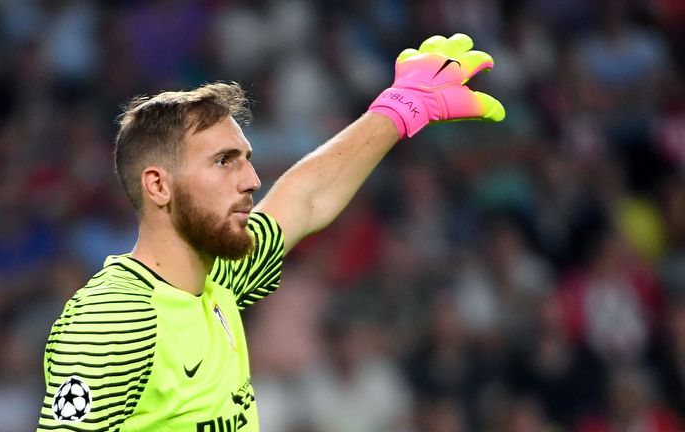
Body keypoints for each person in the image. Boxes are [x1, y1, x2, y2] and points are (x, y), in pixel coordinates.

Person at [36, 33, 504, 431]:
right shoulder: (115, 318)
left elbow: (304, 197)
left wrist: (400, 108)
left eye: (246, 160)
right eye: (223, 162)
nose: (251, 181)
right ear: (158, 185)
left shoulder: (221, 277)